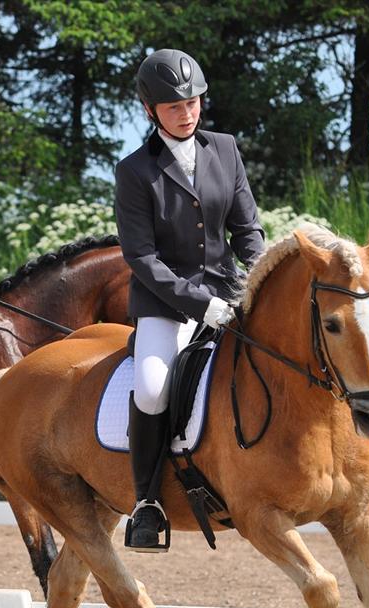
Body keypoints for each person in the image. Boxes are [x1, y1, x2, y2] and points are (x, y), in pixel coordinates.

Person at [114, 49, 266, 551]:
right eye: (175, 106)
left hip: (230, 293)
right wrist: (199, 303)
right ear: (150, 109)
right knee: (153, 389)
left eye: (194, 101)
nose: (188, 111)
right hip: (166, 305)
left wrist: (260, 278)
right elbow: (141, 257)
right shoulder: (135, 171)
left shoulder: (225, 148)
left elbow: (247, 229)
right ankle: (147, 503)